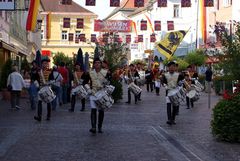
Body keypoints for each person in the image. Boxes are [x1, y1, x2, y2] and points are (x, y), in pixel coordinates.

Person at [89, 58, 110, 133]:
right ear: (94, 64)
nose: (97, 64)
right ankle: (93, 127)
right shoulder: (90, 72)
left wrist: (107, 84)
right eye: (96, 63)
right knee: (93, 109)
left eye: (99, 63)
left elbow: (109, 82)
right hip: (93, 93)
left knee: (101, 110)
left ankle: (100, 127)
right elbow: (84, 82)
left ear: (101, 64)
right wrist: (88, 88)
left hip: (102, 93)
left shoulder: (105, 72)